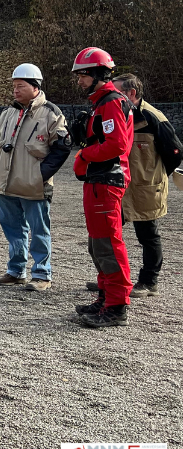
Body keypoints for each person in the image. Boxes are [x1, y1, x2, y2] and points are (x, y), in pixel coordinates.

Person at [0, 64, 71, 290]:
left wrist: (40, 175)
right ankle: (16, 271)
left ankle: (42, 274)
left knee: (39, 230)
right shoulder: (8, 113)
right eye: (14, 86)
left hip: (35, 186)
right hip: (7, 183)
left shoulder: (51, 113)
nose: (15, 90)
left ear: (35, 87)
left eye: (21, 86)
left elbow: (62, 147)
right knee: (12, 229)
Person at [71, 48, 135, 328]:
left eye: (83, 75)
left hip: (107, 180)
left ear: (98, 74)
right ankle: (107, 297)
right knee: (98, 244)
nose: (79, 81)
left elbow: (117, 145)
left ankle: (117, 306)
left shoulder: (110, 102)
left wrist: (84, 154)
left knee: (108, 244)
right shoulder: (103, 102)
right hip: (100, 180)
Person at [106, 74, 181, 297]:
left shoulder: (153, 117)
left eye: (117, 92)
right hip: (119, 186)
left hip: (145, 188)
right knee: (108, 234)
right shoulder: (115, 114)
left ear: (131, 93)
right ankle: (113, 280)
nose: (112, 97)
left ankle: (149, 282)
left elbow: (175, 152)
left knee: (148, 236)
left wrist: (155, 176)